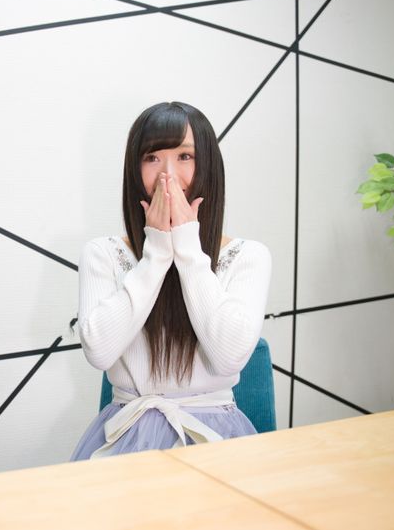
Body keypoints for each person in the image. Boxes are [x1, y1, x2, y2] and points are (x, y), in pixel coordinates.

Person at [70, 101, 271, 460]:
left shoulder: (248, 256)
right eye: (152, 158)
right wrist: (158, 253)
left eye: (185, 157)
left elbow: (229, 358)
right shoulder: (102, 253)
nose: (168, 175)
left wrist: (188, 248)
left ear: (207, 166)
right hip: (127, 433)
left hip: (215, 436)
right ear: (135, 171)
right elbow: (99, 352)